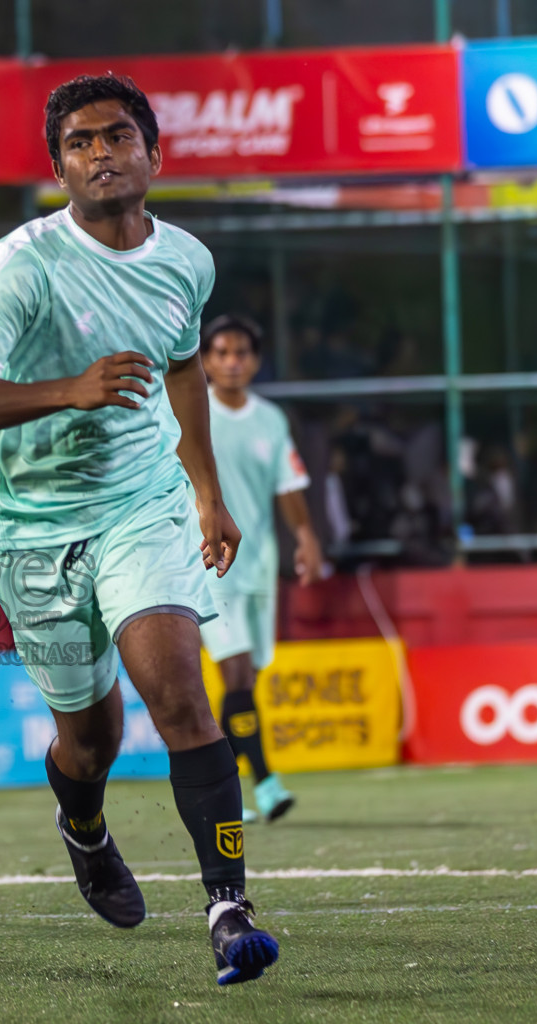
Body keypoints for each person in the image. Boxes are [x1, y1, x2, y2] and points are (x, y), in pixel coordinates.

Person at [0, 73, 277, 986]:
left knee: (179, 696)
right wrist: (69, 388)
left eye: (117, 136)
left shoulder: (187, 260)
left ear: (153, 155)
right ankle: (83, 825)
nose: (100, 153)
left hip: (141, 505)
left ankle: (229, 906)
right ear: (59, 169)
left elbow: (182, 369)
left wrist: (205, 487)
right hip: (32, 528)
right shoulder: (21, 267)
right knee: (89, 740)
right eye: (80, 143)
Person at [197, 314, 324, 824]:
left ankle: (220, 789)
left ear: (255, 361)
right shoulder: (190, 412)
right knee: (238, 672)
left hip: (260, 563)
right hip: (208, 561)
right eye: (221, 352)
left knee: (245, 679)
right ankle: (267, 782)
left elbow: (287, 485)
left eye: (241, 352)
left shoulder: (270, 419)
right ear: (204, 360)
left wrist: (308, 537)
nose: (232, 361)